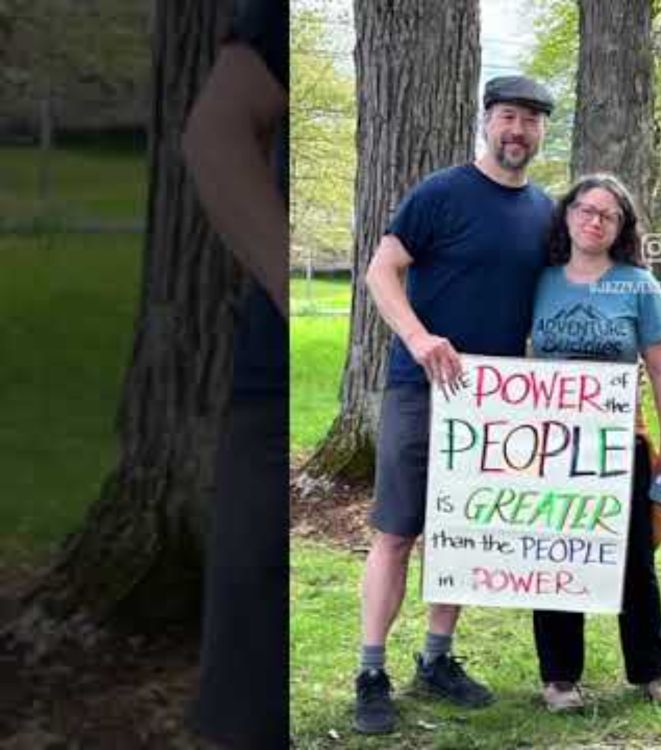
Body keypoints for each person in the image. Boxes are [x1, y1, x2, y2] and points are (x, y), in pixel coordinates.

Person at [355, 75, 556, 734]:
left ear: (542, 131)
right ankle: (371, 672)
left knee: (462, 533)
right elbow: (381, 270)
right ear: (486, 122)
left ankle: (435, 661)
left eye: (530, 120)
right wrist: (417, 338)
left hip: (495, 403)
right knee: (396, 532)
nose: (517, 131)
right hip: (423, 388)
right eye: (507, 117)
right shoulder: (440, 193)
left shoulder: (547, 214)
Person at [528, 173, 661, 712]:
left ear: (621, 227)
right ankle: (559, 677)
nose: (594, 220)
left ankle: (654, 669)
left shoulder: (636, 285)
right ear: (568, 214)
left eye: (608, 215)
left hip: (620, 442)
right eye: (586, 209)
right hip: (550, 443)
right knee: (556, 554)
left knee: (633, 558)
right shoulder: (540, 279)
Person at [181, 0, 289, 747]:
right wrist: (314, 308)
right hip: (283, 400)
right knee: (257, 712)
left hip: (454, 400)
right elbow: (215, 136)